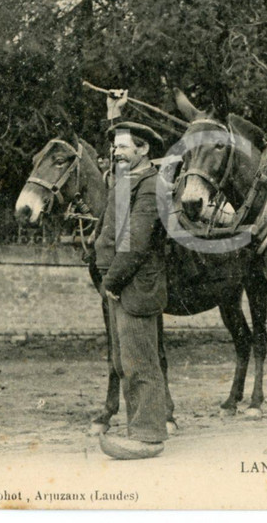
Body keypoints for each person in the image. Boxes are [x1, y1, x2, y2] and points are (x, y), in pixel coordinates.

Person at [94, 119, 170, 460]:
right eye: (114, 146)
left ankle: (149, 436)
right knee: (125, 361)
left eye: (123, 146)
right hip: (120, 284)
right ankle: (136, 428)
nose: (116, 151)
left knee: (141, 361)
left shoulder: (152, 185)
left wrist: (110, 281)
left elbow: (135, 243)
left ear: (143, 150)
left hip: (134, 285)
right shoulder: (125, 181)